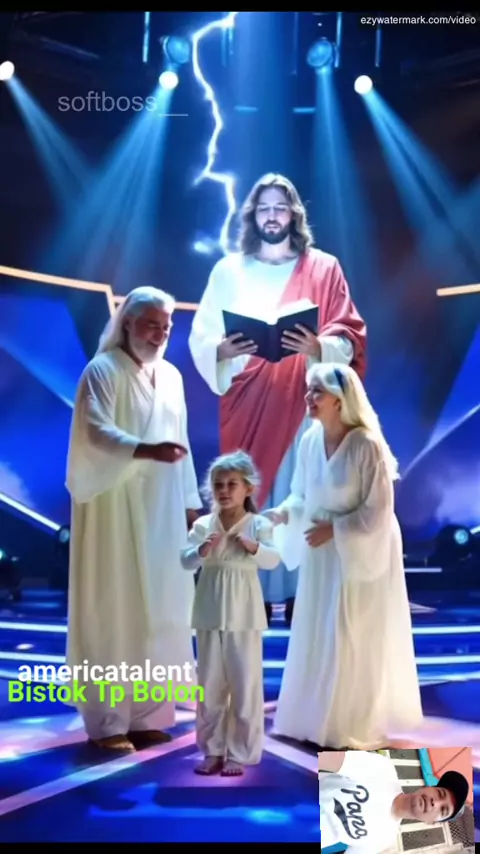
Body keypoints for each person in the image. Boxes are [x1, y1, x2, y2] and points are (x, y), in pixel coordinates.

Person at [189, 173, 366, 623]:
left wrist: (318, 346)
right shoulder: (229, 271)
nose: (272, 216)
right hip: (247, 402)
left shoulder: (323, 267)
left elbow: (348, 331)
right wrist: (221, 351)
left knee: (301, 492)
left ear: (294, 215)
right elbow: (203, 335)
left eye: (280, 208)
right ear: (252, 215)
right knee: (252, 494)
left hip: (304, 400)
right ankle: (254, 597)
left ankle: (305, 593)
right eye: (264, 208)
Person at [65, 286, 203, 752]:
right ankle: (107, 723)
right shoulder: (101, 371)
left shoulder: (172, 377)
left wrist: (189, 501)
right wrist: (145, 450)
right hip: (114, 508)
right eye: (151, 325)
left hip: (162, 510)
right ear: (127, 322)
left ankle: (148, 715)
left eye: (166, 327)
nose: (160, 334)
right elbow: (95, 431)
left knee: (162, 607)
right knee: (115, 607)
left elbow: (181, 442)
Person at [266, 363, 423, 749]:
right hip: (322, 552)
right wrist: (283, 513)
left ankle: (350, 723)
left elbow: (378, 511)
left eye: (317, 392)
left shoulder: (366, 445)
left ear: (339, 400)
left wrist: (335, 530)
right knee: (320, 630)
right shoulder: (309, 441)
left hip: (360, 553)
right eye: (309, 390)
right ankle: (314, 720)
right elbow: (301, 494)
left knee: (350, 632)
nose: (309, 398)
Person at [180, 450, 281, 776]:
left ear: (247, 488)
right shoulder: (203, 525)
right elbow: (185, 560)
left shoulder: (258, 524)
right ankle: (212, 750)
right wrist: (201, 550)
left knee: (244, 684)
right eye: (218, 485)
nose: (224, 490)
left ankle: (241, 752)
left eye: (231, 484)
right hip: (209, 611)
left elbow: (273, 560)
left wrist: (253, 546)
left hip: (244, 614)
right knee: (210, 685)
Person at [319, 750, 470, 853]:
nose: (435, 803)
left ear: (431, 822)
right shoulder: (383, 769)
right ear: (428, 787)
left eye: (442, 810)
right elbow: (328, 758)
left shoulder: (384, 839)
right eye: (440, 793)